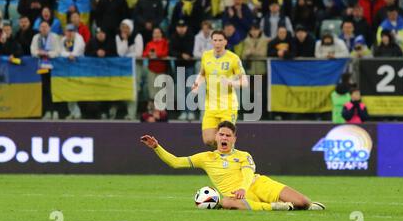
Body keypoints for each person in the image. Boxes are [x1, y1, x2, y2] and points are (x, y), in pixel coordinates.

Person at [140, 121, 326, 211]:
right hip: (236, 197)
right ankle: (276, 207)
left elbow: (247, 174)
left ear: (234, 139)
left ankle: (296, 205)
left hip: (258, 185)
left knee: (303, 203)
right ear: (216, 137)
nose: (224, 138)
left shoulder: (244, 156)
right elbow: (175, 162)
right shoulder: (206, 157)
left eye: (228, 135)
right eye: (221, 134)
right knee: (226, 202)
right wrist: (157, 147)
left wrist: (243, 188)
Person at [191, 30, 248, 147]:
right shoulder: (206, 56)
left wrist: (231, 82)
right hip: (211, 106)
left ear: (225, 42)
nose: (217, 43)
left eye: (220, 40)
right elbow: (202, 73)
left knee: (225, 140)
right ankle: (222, 154)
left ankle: (229, 161)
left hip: (228, 106)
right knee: (208, 140)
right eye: (215, 40)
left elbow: (245, 82)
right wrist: (197, 83)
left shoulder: (233, 58)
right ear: (211, 42)